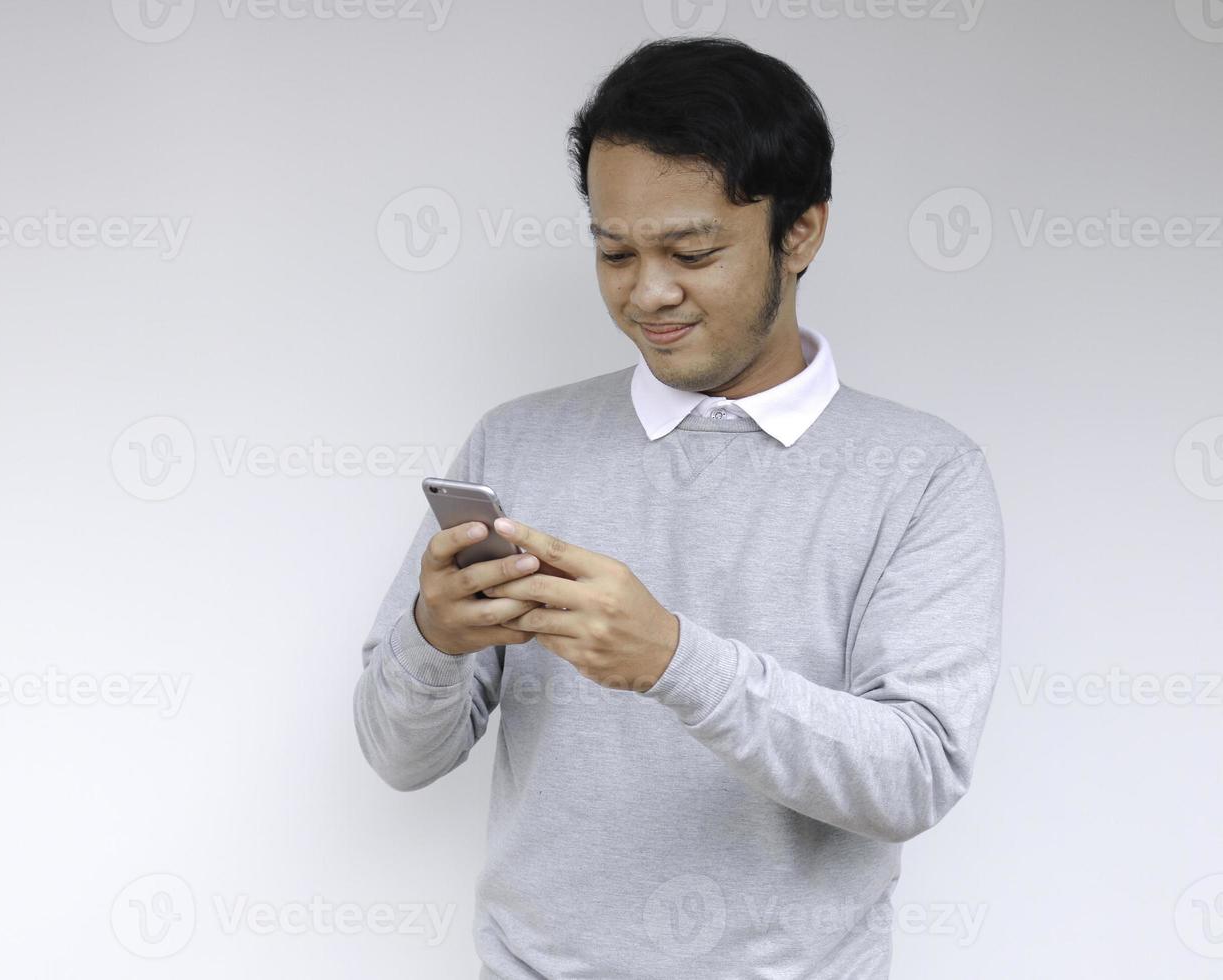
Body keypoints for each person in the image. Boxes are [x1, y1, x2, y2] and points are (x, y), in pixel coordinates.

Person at [354, 36, 1004, 980]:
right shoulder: (519, 442)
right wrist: (432, 640)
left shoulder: (922, 473)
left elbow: (912, 777)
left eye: (693, 251)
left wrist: (671, 660)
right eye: (614, 251)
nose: (648, 292)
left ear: (803, 232)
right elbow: (397, 757)